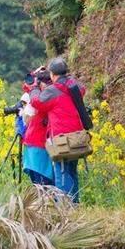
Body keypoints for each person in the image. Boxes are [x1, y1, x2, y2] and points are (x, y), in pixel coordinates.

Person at [30, 57, 86, 202]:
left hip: (61, 139)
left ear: (52, 74)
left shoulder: (53, 91)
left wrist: (35, 87)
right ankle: (75, 205)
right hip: (77, 138)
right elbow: (82, 88)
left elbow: (37, 102)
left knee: (62, 172)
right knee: (72, 171)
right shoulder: (75, 87)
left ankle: (64, 209)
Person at [22, 69, 54, 186]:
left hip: (35, 143)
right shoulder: (56, 94)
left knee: (39, 183)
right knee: (47, 182)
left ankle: (44, 203)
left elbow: (26, 118)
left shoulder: (37, 98)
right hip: (45, 144)